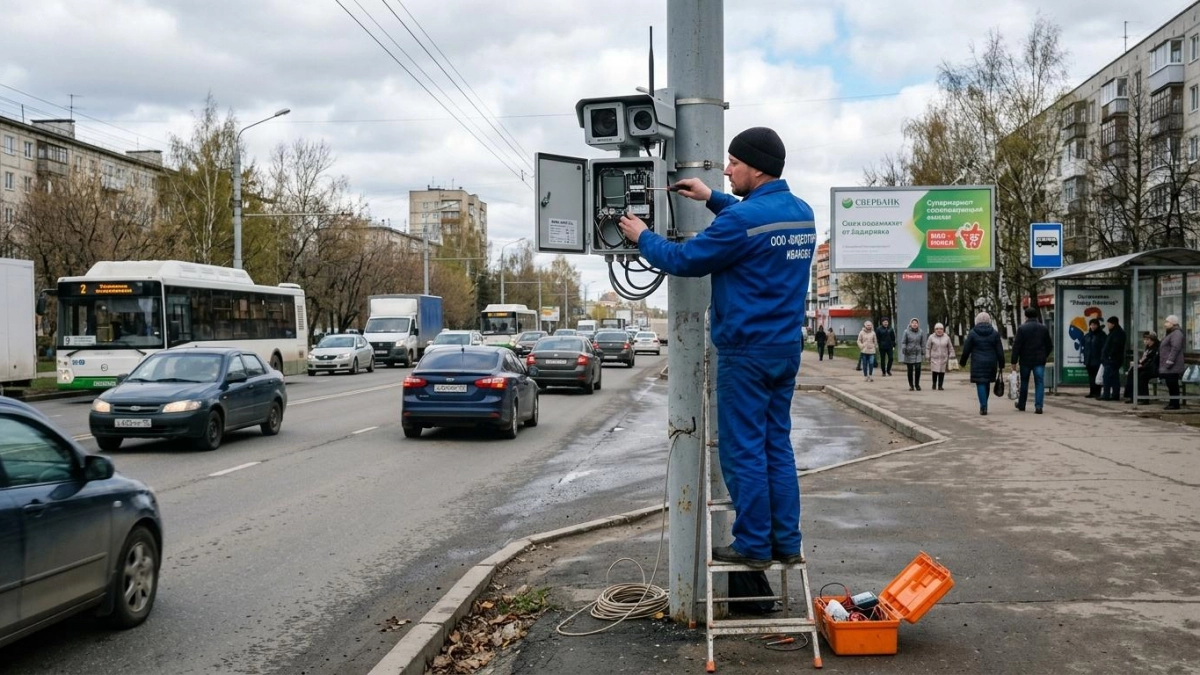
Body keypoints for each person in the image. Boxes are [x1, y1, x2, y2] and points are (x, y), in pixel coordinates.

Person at [616, 126, 815, 569]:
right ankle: (787, 543)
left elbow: (684, 260)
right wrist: (711, 197)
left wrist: (642, 236)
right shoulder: (802, 213)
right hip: (784, 350)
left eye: (734, 163)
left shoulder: (741, 222)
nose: (726, 170)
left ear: (757, 168)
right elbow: (752, 222)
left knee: (743, 448)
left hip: (745, 354)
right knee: (775, 446)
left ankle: (754, 546)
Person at [959, 312, 1005, 415]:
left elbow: (966, 349)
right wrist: (1001, 364)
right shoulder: (994, 333)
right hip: (991, 362)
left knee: (980, 383)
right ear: (989, 320)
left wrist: (962, 362)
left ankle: (983, 406)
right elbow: (1000, 351)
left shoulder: (972, 333)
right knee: (987, 382)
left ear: (976, 320)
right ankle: (984, 404)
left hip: (977, 362)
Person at [1010, 307, 1054, 414]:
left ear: (1026, 316)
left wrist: (1014, 362)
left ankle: (1022, 404)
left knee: (1024, 382)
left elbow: (1017, 346)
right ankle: (1038, 406)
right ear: (1036, 316)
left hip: (1025, 360)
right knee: (1039, 382)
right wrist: (1044, 355)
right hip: (1039, 360)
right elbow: (1049, 345)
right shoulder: (1043, 328)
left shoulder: (1022, 328)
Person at [1124, 332, 1160, 405]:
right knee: (1132, 372)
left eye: (1147, 339)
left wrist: (1142, 365)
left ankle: (1144, 398)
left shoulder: (1156, 348)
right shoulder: (1148, 348)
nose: (1145, 341)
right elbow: (1144, 359)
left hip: (1152, 368)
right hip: (1146, 367)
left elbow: (1153, 361)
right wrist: (1138, 363)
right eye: (1145, 339)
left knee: (1142, 376)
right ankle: (1132, 396)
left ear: (1152, 340)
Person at [1159, 315, 1186, 410]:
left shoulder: (1176, 333)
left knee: (1172, 384)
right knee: (1170, 384)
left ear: (1173, 323)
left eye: (1167, 322)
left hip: (1173, 365)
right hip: (1169, 364)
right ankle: (1172, 402)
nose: (1165, 324)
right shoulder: (1171, 333)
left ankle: (1175, 404)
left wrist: (1169, 361)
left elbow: (1175, 348)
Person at [1099, 316, 1126, 401]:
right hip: (1112, 359)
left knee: (1107, 377)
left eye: (1109, 324)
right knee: (1114, 377)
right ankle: (1114, 395)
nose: (1108, 325)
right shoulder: (1114, 332)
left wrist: (1108, 356)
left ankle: (1106, 395)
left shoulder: (1118, 333)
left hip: (1112, 359)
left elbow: (1115, 347)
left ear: (1113, 324)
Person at [926, 323, 955, 391]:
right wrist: (927, 355)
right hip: (934, 357)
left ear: (943, 330)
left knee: (942, 372)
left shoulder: (947, 337)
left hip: (943, 358)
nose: (939, 330)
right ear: (935, 330)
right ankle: (934, 384)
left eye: (941, 329)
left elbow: (950, 347)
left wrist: (952, 354)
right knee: (935, 372)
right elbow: (928, 347)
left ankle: (940, 385)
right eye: (937, 329)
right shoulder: (931, 337)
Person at [900, 318, 927, 391]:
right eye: (913, 323)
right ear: (910, 324)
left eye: (916, 323)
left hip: (918, 352)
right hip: (909, 352)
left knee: (918, 369)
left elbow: (923, 343)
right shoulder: (906, 331)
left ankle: (917, 384)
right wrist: (904, 348)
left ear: (918, 324)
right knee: (910, 370)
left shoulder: (921, 332)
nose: (914, 324)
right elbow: (903, 342)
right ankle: (911, 385)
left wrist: (923, 351)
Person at [1082, 318, 1105, 398]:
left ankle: (1097, 392)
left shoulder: (1102, 335)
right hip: (1088, 360)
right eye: (1091, 325)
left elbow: (1103, 348)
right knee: (1091, 377)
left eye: (1094, 325)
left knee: (1097, 377)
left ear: (1098, 325)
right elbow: (1084, 346)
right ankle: (1092, 392)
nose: (1093, 326)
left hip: (1097, 359)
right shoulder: (1087, 336)